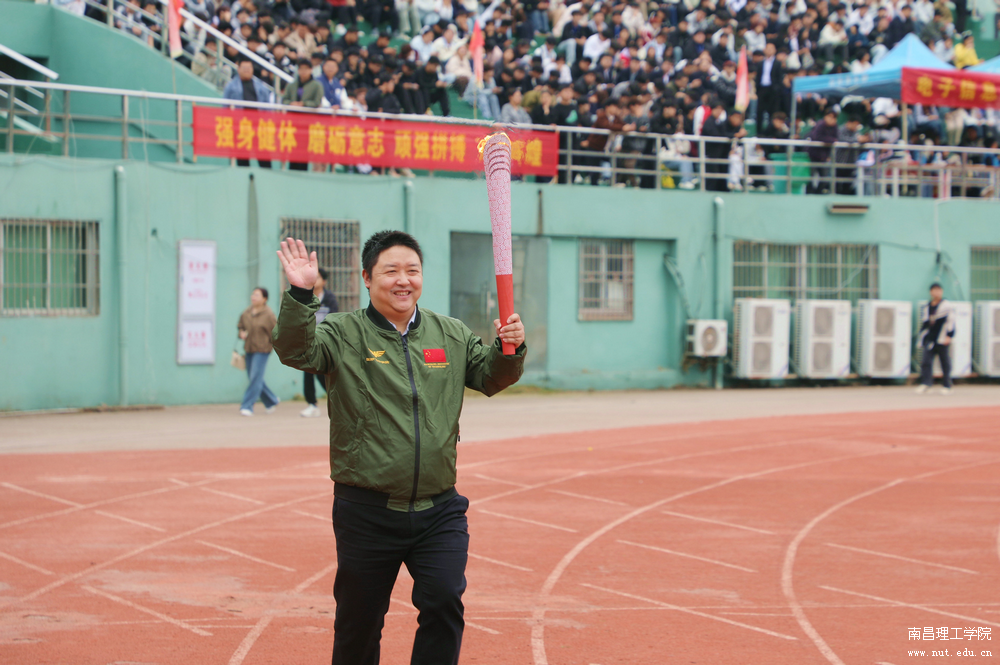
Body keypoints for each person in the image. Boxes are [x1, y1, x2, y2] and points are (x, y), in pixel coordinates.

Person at [272, 231, 526, 665]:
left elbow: (491, 376)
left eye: (412, 270)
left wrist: (510, 347)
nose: (403, 280)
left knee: (444, 602)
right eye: (391, 271)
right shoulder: (343, 333)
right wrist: (300, 294)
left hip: (439, 509)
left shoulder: (450, 333)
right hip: (367, 512)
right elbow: (296, 351)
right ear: (367, 278)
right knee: (359, 625)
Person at [301, 268, 340, 417]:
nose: (314, 280)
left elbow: (334, 318)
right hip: (309, 342)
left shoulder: (330, 298)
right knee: (308, 371)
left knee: (322, 374)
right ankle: (312, 404)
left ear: (324, 281)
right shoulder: (306, 298)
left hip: (325, 342)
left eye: (317, 277)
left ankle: (337, 399)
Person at [223, 58, 274, 168]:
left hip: (258, 127)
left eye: (249, 68)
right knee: (242, 160)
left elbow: (267, 107)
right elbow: (225, 107)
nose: (247, 70)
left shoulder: (260, 86)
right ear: (238, 69)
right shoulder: (231, 86)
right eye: (244, 68)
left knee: (264, 158)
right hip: (240, 128)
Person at [238, 287, 280, 416]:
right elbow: (241, 326)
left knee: (255, 377)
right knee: (254, 378)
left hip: (262, 350)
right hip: (249, 348)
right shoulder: (246, 312)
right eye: (253, 294)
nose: (253, 297)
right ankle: (271, 400)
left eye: (257, 295)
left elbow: (276, 332)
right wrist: (241, 333)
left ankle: (247, 406)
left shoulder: (269, 314)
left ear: (264, 299)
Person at [282, 58, 324, 170]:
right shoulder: (292, 85)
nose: (303, 71)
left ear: (311, 70)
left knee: (304, 149)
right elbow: (284, 100)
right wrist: (291, 103)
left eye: (306, 69)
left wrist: (304, 104)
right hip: (293, 123)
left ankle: (302, 171)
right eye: (301, 69)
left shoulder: (316, 85)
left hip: (308, 123)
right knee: (292, 148)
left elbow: (317, 102)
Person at [916, 282, 955, 394]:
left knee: (945, 362)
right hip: (930, 338)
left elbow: (951, 321)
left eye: (938, 290)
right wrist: (922, 336)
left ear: (942, 292)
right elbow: (925, 323)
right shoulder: (927, 306)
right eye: (934, 290)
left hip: (942, 338)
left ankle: (947, 385)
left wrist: (949, 336)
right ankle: (926, 384)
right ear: (931, 292)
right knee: (926, 361)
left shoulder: (946, 306)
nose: (936, 292)